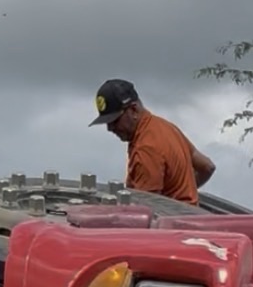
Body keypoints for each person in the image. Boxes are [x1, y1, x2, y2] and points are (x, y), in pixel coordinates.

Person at [89, 78, 216, 206]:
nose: (110, 128)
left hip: (171, 223)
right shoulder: (166, 127)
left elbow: (143, 209)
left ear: (133, 110)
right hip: (192, 218)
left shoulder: (146, 148)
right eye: (107, 123)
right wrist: (184, 195)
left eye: (115, 121)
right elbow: (207, 167)